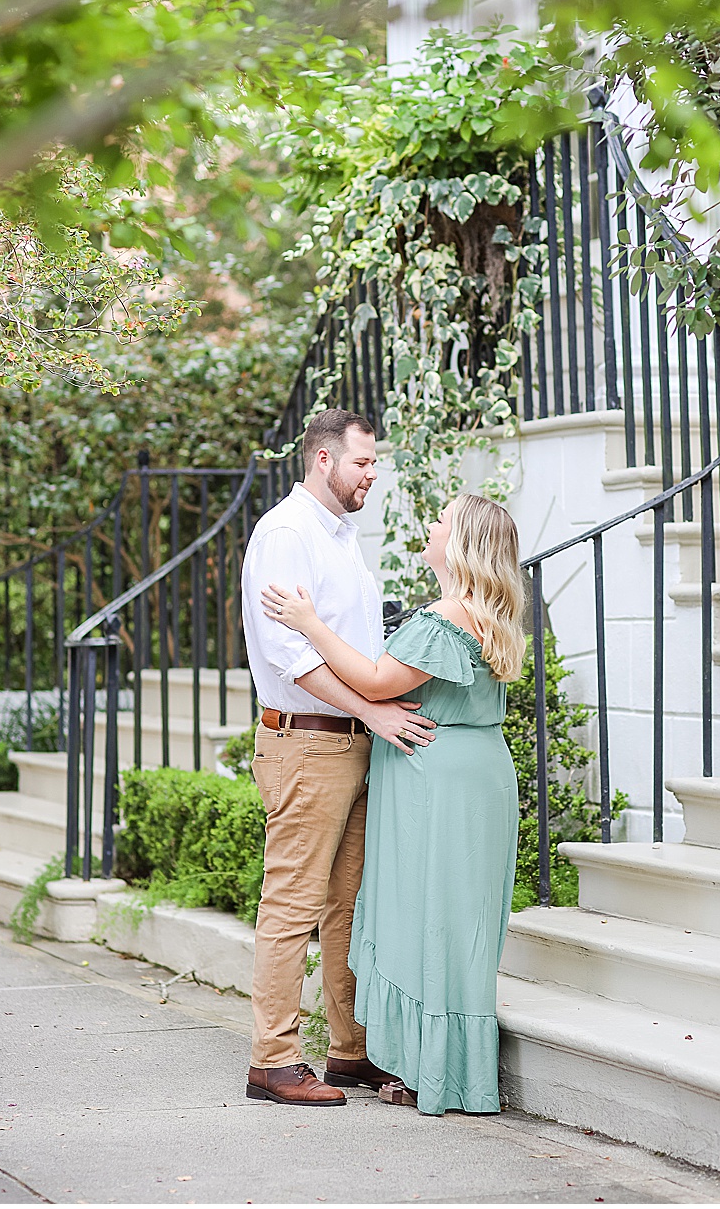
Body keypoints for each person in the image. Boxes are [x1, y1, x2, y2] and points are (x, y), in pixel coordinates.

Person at [263, 492, 525, 1115]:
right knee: (463, 924)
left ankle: (425, 1071)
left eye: (441, 520)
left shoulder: (445, 617)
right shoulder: (489, 615)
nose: (430, 525)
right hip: (479, 774)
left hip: (434, 783)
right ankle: (450, 1069)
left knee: (426, 919)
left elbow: (378, 681)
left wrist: (308, 621)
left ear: (459, 544)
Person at [241, 408, 437, 1108]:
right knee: (293, 901)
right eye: (363, 462)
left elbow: (349, 643)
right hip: (307, 738)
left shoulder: (342, 536)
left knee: (347, 905)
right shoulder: (288, 534)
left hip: (350, 739)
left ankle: (349, 1050)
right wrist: (372, 711)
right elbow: (289, 654)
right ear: (324, 460)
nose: (372, 473)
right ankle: (273, 1059)